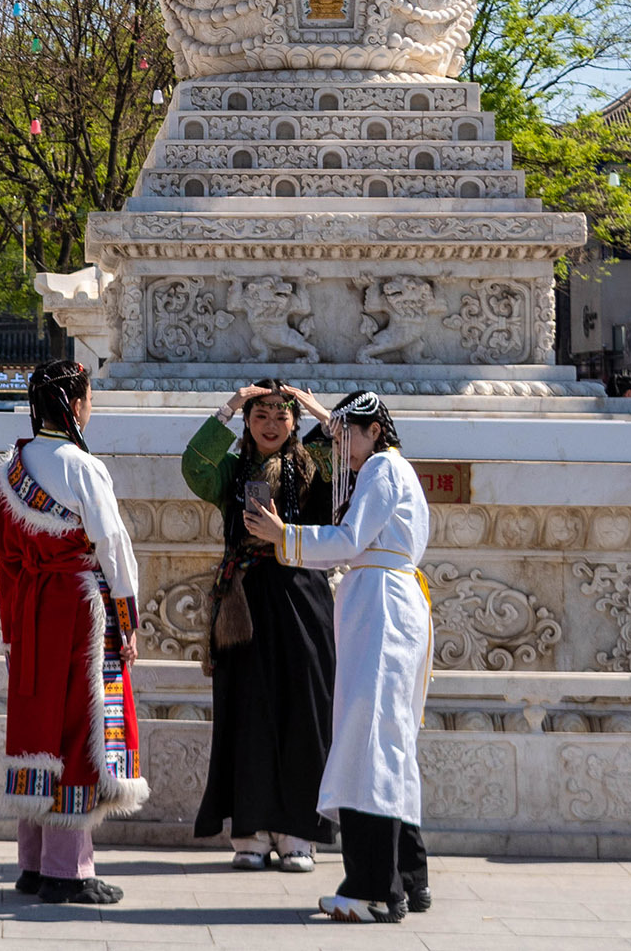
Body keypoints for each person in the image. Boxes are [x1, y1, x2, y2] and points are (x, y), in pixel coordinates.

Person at [246, 390, 432, 925]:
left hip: (381, 606)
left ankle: (372, 887)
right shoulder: (396, 468)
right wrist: (333, 419)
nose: (342, 446)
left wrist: (287, 537)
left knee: (367, 736)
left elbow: (351, 538)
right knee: (390, 740)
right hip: (390, 602)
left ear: (375, 431)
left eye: (349, 433)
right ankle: (406, 879)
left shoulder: (379, 469)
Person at [0, 359, 146, 907]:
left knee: (36, 725)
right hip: (78, 608)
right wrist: (127, 618)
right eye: (89, 398)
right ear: (75, 404)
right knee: (78, 728)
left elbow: (5, 547)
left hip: (31, 608)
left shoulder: (15, 465)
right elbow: (113, 545)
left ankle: (31, 863)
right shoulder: (82, 466)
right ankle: (67, 870)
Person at [180, 382, 338, 872]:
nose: (270, 425)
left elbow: (351, 449)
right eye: (260, 416)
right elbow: (194, 466)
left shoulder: (315, 463)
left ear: (294, 422)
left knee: (304, 711)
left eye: (281, 416)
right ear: (248, 423)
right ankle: (248, 833)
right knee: (246, 712)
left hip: (302, 598)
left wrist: (318, 409)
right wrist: (227, 406)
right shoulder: (231, 471)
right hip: (243, 603)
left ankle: (298, 833)